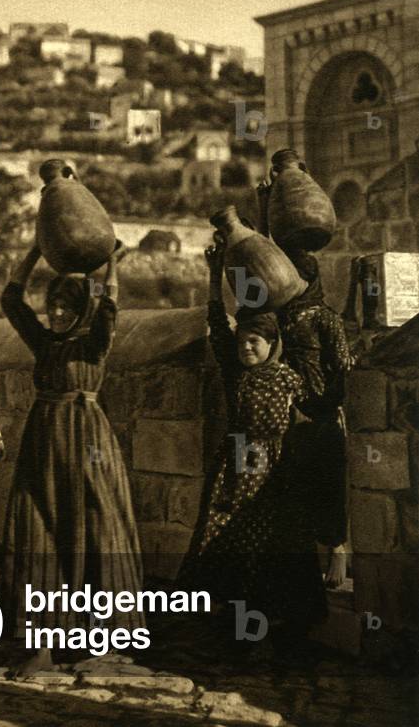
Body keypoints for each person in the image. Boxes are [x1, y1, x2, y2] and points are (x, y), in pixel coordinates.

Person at [0, 242, 144, 676]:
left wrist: (111, 264)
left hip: (88, 447)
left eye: (66, 307)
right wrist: (33, 251)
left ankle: (98, 636)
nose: (57, 314)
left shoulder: (92, 345)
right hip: (43, 447)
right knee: (37, 533)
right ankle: (40, 645)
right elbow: (11, 300)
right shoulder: (44, 343)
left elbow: (109, 310)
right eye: (53, 305)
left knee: (96, 530)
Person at [179, 240, 327, 654]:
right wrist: (213, 276)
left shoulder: (290, 376)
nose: (246, 348)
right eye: (243, 342)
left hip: (276, 472)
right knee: (226, 541)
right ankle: (237, 623)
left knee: (272, 548)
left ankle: (275, 626)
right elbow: (216, 321)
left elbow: (296, 308)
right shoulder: (234, 375)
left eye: (255, 344)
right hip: (237, 469)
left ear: (272, 345)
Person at [277, 249, 354, 588]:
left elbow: (341, 366)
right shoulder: (282, 316)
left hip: (322, 412)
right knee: (297, 488)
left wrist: (326, 407)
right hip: (290, 414)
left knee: (329, 485)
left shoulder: (325, 318)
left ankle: (337, 548)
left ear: (306, 280)